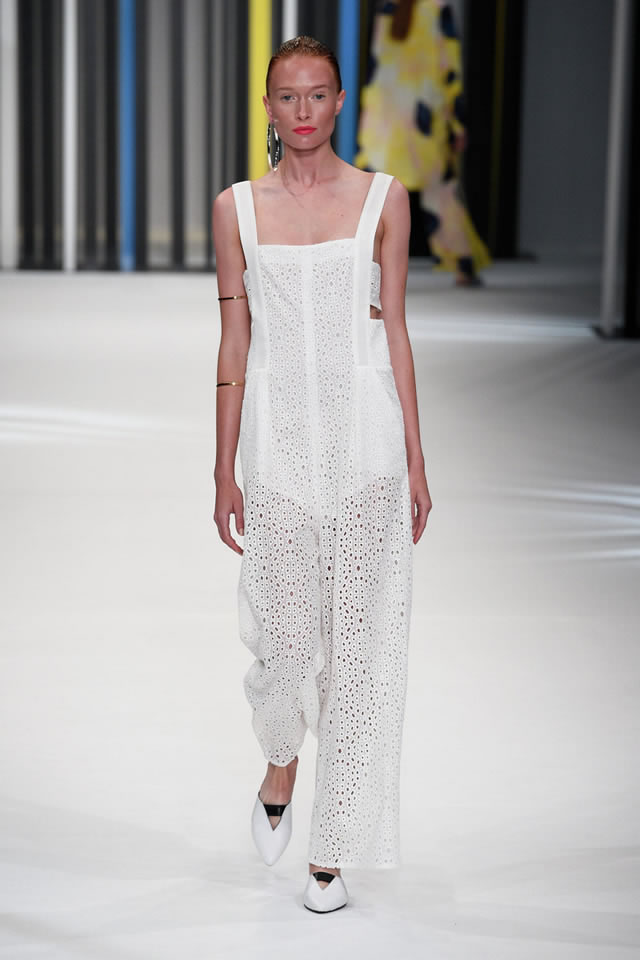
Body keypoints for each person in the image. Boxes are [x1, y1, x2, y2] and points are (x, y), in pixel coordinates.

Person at [212, 35, 431, 914]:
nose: (302, 111)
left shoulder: (385, 199)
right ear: (268, 106)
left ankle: (331, 852)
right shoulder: (237, 209)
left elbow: (396, 329)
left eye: (317, 94)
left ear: (340, 101)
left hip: (367, 448)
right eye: (287, 96)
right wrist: (221, 467)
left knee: (359, 656)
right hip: (277, 451)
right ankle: (280, 758)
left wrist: (416, 456)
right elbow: (234, 342)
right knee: (284, 644)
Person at [355, 0, 491, 286]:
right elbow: (449, 68)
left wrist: (367, 116)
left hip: (384, 116)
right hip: (422, 116)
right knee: (441, 193)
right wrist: (457, 122)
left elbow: (375, 65)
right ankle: (462, 264)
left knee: (374, 197)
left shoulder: (388, 7)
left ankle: (365, 266)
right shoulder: (438, 9)